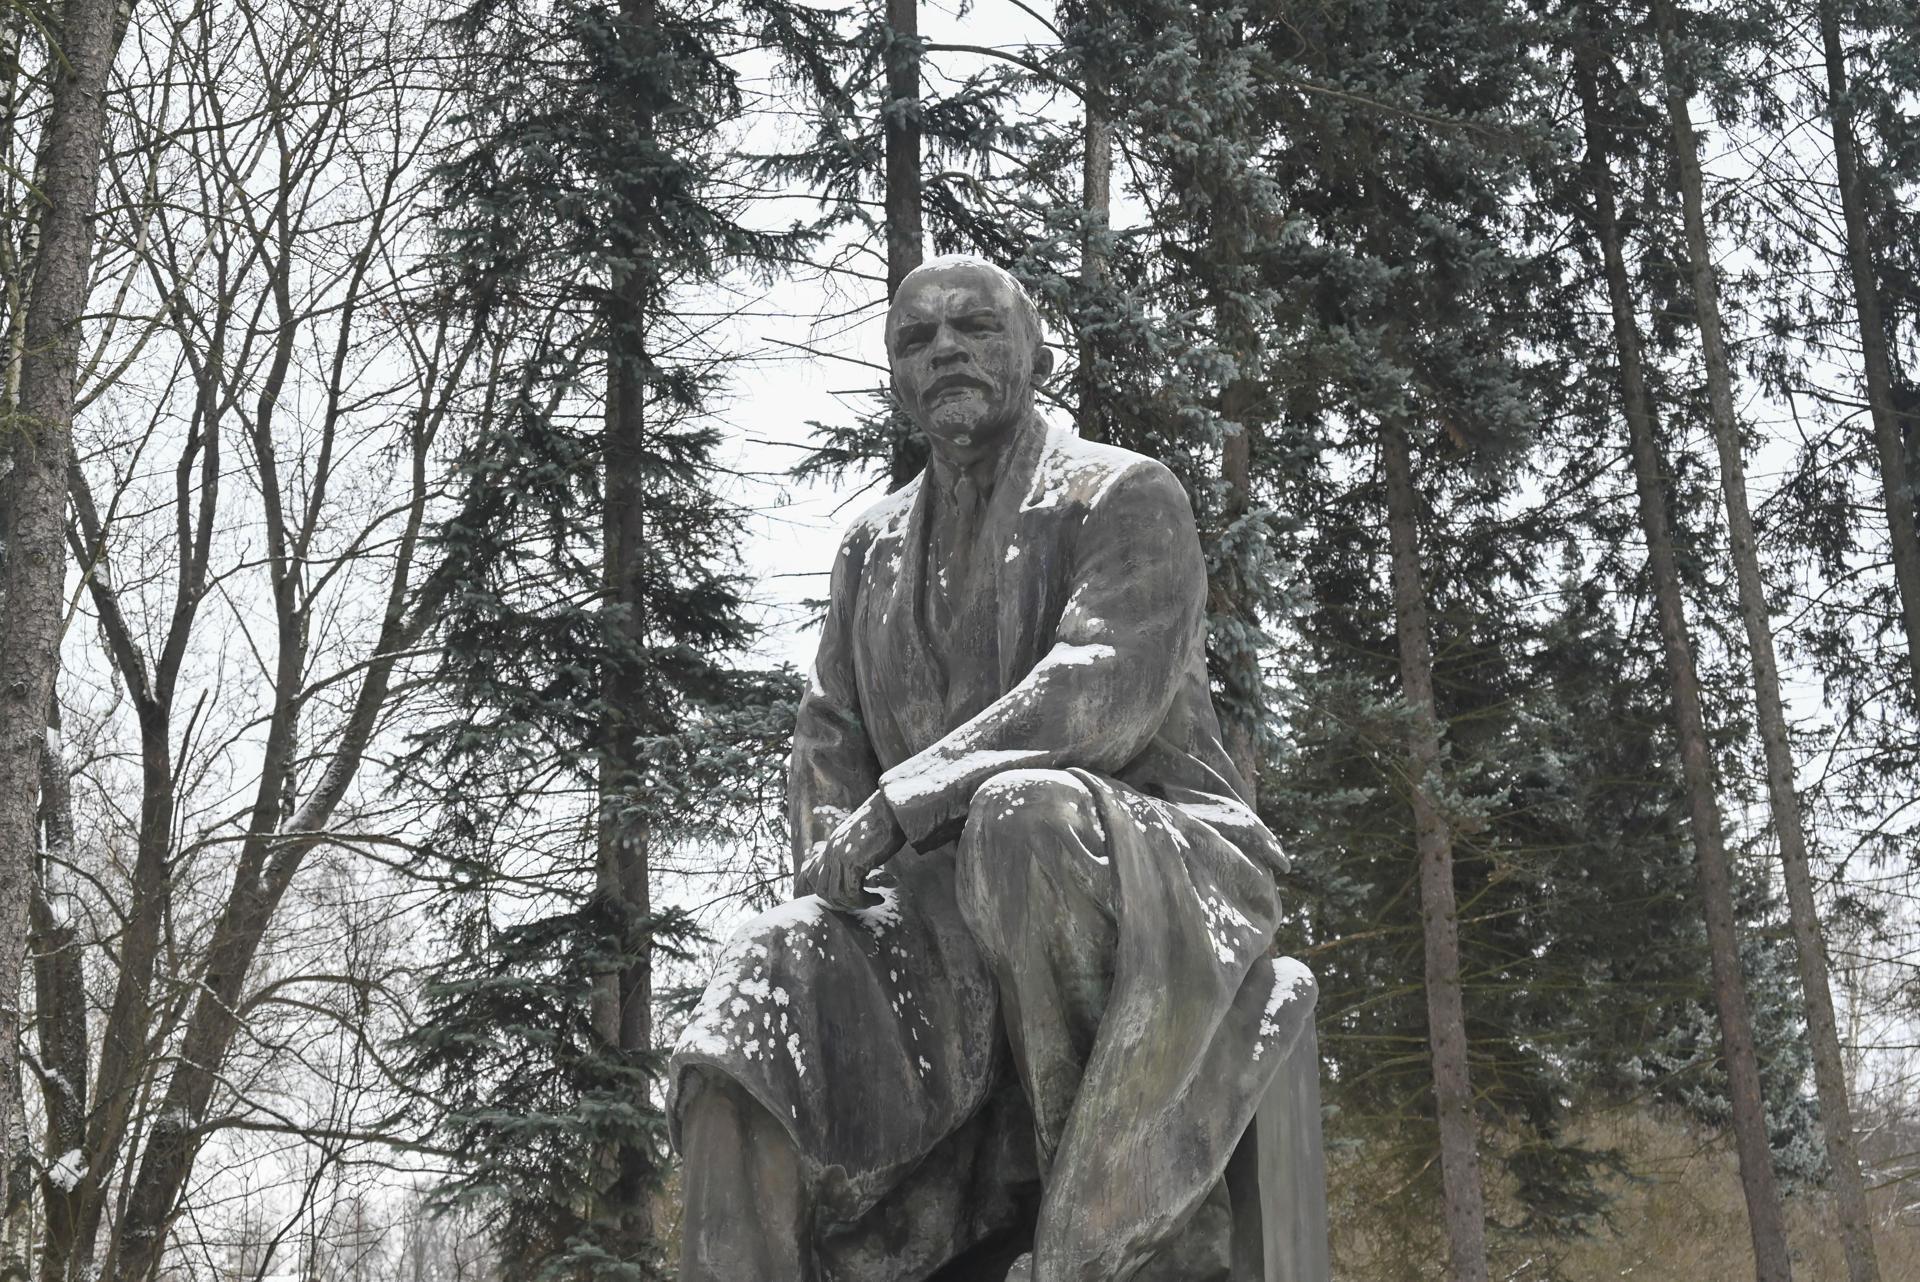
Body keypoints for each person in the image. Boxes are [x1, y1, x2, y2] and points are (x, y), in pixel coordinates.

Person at [670, 256, 1319, 1282]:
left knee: (1024, 818)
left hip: (1147, 861)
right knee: (765, 959)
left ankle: (1106, 1246)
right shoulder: (869, 550)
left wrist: (906, 800)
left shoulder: (1121, 492)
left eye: (974, 328)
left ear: (1036, 352)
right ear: (897, 378)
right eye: (915, 340)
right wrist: (836, 877)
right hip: (939, 914)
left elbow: (1105, 681)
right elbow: (828, 741)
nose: (944, 352)